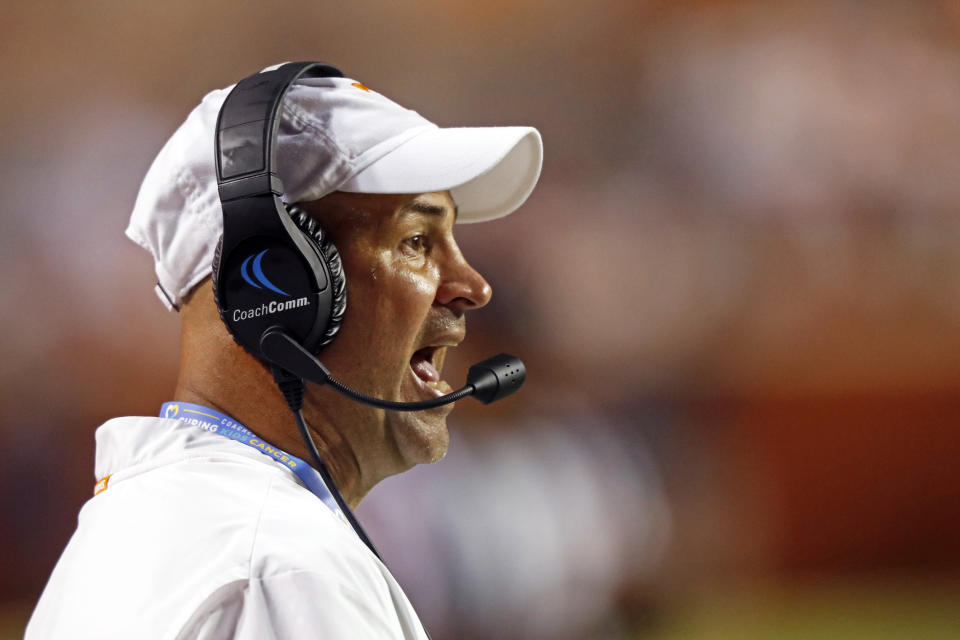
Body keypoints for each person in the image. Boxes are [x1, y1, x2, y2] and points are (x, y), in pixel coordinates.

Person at [26, 64, 542, 639]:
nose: (474, 287)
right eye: (417, 242)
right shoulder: (282, 572)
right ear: (278, 288)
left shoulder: (141, 526)